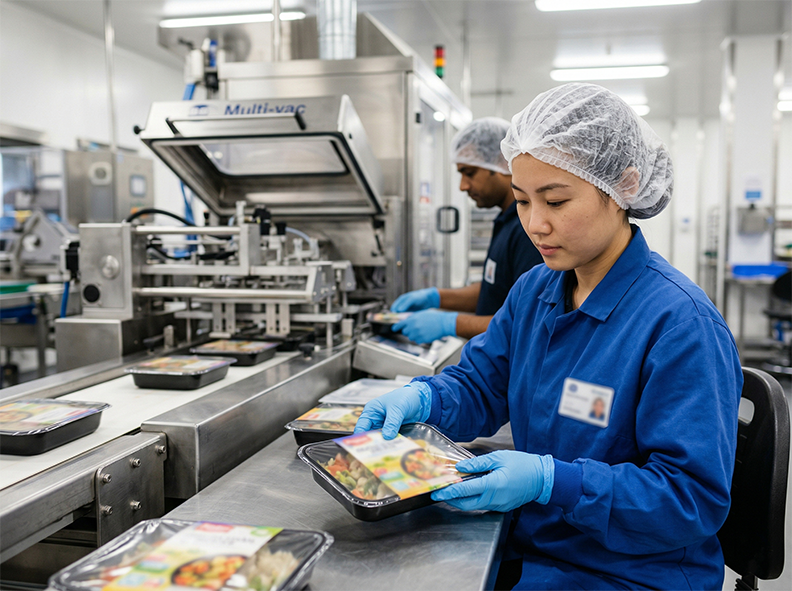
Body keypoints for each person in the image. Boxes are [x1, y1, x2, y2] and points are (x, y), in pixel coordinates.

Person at [355, 83, 742, 590]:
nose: (536, 224)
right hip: (533, 545)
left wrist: (552, 481)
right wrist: (423, 398)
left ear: (622, 186)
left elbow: (689, 499)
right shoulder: (535, 290)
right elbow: (482, 384)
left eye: (556, 200)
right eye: (521, 200)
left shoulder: (680, 325)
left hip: (631, 572)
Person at [391, 117, 543, 344]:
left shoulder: (528, 230)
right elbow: (497, 290)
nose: (463, 186)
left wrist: (450, 323)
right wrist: (436, 297)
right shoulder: (506, 220)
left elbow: (527, 322)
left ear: (502, 165)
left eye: (469, 173)